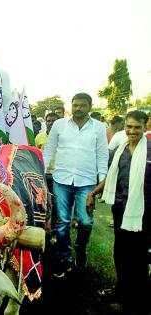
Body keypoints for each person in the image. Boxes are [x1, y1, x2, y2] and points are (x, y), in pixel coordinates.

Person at [87, 110, 150, 314]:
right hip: (121, 208)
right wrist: (93, 193)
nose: (132, 131)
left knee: (139, 256)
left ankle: (138, 297)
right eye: (129, 127)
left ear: (145, 127)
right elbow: (110, 177)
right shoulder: (119, 150)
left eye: (137, 127)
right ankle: (121, 290)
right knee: (121, 252)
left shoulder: (150, 151)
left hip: (144, 211)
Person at [43, 92, 108, 278]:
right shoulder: (59, 125)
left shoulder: (99, 128)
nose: (78, 108)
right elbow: (49, 150)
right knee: (62, 222)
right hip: (61, 180)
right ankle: (64, 258)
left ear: (90, 106)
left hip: (86, 182)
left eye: (82, 105)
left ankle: (80, 249)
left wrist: (101, 181)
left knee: (85, 222)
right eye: (75, 105)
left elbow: (102, 155)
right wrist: (41, 174)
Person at [35, 112, 59, 241]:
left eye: (54, 120)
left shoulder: (63, 137)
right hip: (41, 175)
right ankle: (40, 228)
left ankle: (54, 231)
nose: (51, 123)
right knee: (40, 202)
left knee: (55, 204)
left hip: (57, 176)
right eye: (48, 120)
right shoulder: (39, 137)